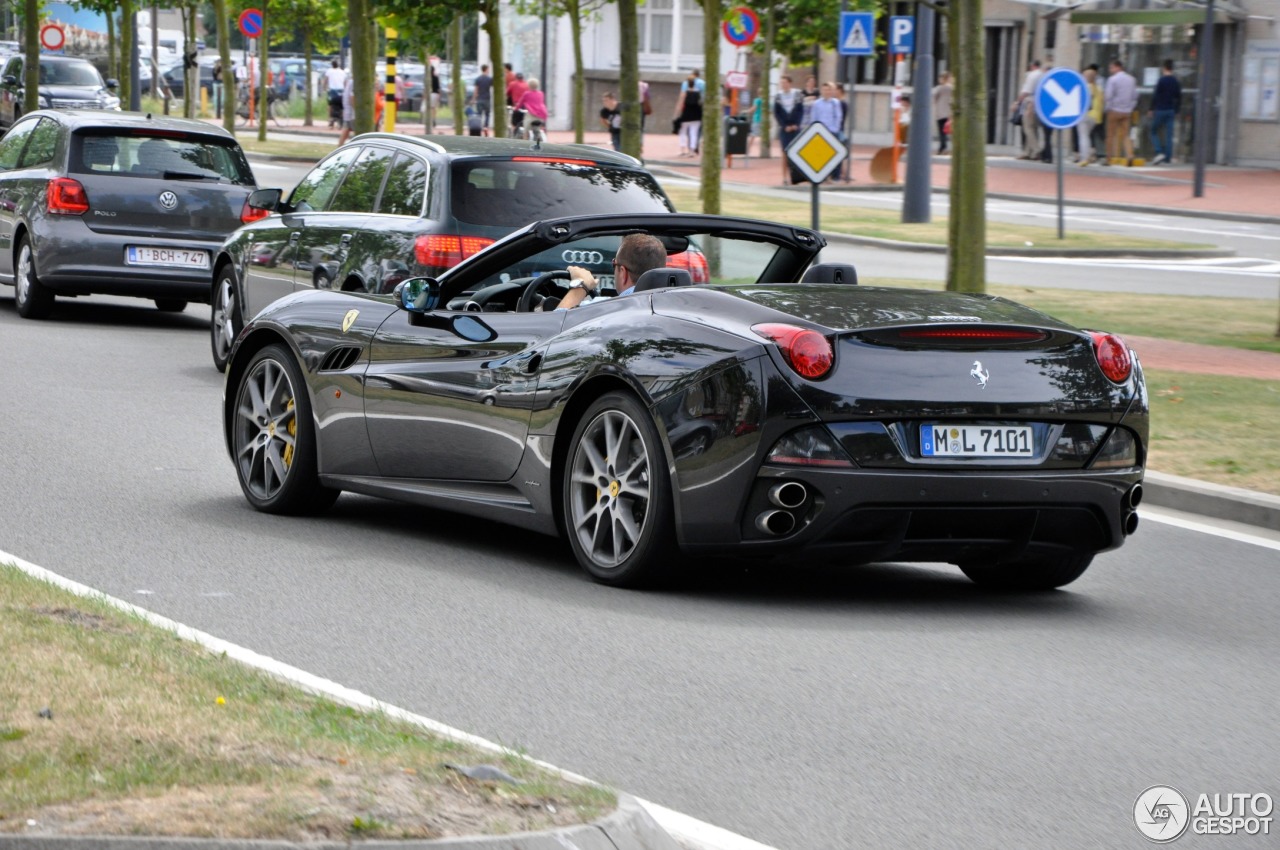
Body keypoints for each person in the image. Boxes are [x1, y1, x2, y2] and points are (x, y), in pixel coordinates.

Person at [556, 234, 669, 310]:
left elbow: (555, 329)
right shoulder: (677, 305)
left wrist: (580, 286)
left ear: (623, 272)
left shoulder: (602, 309)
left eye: (614, 264)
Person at [1104, 58, 1138, 166]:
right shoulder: (1132, 79)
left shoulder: (1112, 80)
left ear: (1118, 67)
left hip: (1114, 110)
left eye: (1112, 67)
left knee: (1110, 135)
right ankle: (1130, 155)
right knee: (1125, 135)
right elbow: (1135, 96)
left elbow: (1108, 95)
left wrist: (1108, 108)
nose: (1110, 70)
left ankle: (1108, 158)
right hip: (1126, 111)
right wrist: (1130, 107)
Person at [1149, 59, 1182, 165]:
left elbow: (1155, 95)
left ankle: (1159, 152)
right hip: (1171, 110)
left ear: (1164, 68)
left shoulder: (1161, 80)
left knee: (1153, 130)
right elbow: (1179, 97)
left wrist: (1151, 108)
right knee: (1169, 135)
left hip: (1160, 109)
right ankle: (1167, 157)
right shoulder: (1175, 81)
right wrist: (1177, 110)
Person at [774, 75, 804, 183]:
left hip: (795, 127)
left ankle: (797, 177)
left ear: (790, 83)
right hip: (785, 129)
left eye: (785, 83)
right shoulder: (778, 96)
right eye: (782, 83)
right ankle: (784, 177)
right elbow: (776, 113)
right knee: (785, 153)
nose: (784, 85)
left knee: (796, 152)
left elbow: (800, 110)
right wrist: (784, 125)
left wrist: (797, 124)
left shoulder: (797, 94)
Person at [1013, 59, 1044, 161]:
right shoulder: (1043, 75)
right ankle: (1028, 152)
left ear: (1032, 66)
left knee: (1028, 128)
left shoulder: (1032, 75)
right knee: (1033, 128)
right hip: (1039, 105)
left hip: (1030, 104)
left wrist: (1017, 102)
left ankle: (1036, 150)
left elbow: (1026, 91)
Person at [1077, 65, 1103, 166]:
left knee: (1083, 136)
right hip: (1095, 116)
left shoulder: (1085, 87)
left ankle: (1084, 157)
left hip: (1085, 113)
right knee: (1087, 135)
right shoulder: (1098, 88)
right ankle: (1090, 154)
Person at [675, 73, 703, 156]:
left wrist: (676, 113)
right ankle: (692, 151)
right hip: (697, 116)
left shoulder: (685, 93)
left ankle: (682, 150)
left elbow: (680, 104)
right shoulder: (699, 94)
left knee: (682, 132)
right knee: (693, 133)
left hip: (686, 115)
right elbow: (701, 104)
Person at [932, 71, 952, 154]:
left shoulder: (939, 88)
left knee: (942, 131)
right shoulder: (952, 88)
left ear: (943, 78)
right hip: (949, 113)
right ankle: (944, 146)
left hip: (940, 112)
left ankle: (943, 146)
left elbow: (933, 97)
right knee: (948, 130)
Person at [322, 60, 346, 129]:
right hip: (341, 90)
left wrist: (324, 88)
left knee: (330, 105)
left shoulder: (329, 71)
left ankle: (330, 120)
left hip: (332, 90)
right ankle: (341, 120)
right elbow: (345, 82)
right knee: (342, 106)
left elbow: (326, 80)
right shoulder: (342, 72)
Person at [471, 64, 493, 133]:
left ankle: (479, 127)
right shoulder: (489, 79)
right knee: (487, 114)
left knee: (479, 114)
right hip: (487, 99)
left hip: (480, 99)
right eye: (488, 69)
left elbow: (476, 90)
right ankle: (486, 127)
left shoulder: (478, 79)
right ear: (486, 69)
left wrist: (473, 99)